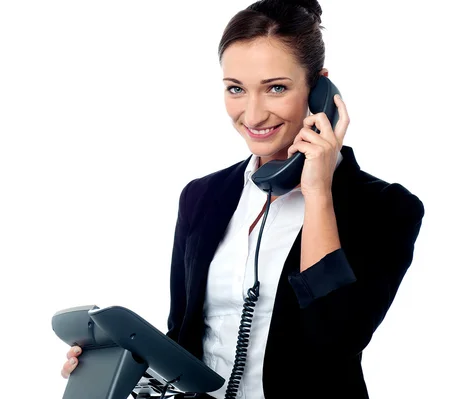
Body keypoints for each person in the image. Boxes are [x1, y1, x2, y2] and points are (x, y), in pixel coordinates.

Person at [60, 0, 425, 398]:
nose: (252, 115)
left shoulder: (386, 207)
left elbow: (334, 338)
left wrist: (318, 191)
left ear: (318, 88)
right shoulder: (202, 196)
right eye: (236, 89)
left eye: (276, 88)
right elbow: (183, 338)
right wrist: (124, 367)